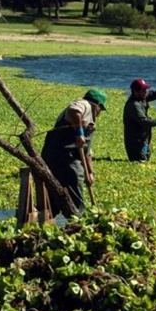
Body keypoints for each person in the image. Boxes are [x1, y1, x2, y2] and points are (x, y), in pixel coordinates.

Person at [41, 88, 107, 217]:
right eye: (101, 110)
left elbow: (87, 153)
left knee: (55, 194)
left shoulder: (90, 122)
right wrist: (79, 133)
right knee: (75, 181)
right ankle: (78, 220)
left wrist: (90, 172)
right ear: (98, 105)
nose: (99, 114)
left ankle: (49, 219)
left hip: (59, 155)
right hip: (62, 154)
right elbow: (73, 111)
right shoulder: (85, 104)